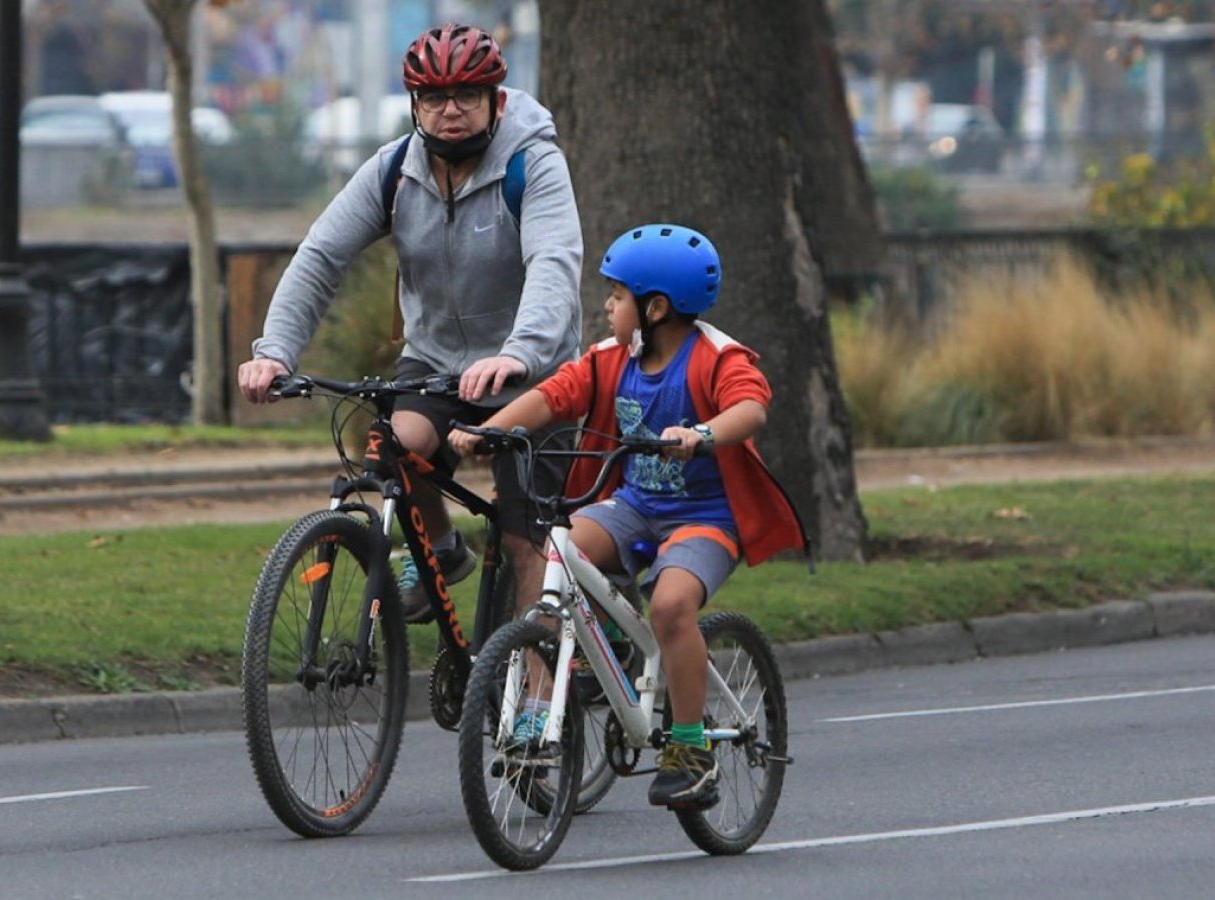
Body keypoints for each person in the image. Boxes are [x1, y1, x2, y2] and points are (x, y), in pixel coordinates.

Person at [448, 223, 807, 809]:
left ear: (655, 307)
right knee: (559, 554)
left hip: (705, 517)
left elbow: (751, 406)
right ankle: (558, 690)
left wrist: (702, 434)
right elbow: (554, 395)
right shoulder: (612, 359)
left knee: (670, 606)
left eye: (617, 297)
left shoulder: (715, 357)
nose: (608, 306)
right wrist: (491, 429)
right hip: (637, 506)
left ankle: (690, 752)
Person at [237, 23, 583, 623]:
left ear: (496, 101)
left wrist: (520, 352)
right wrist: (275, 351)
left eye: (467, 96)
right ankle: (444, 553)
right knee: (395, 448)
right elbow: (321, 255)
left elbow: (553, 262)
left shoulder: (535, 165)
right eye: (433, 98)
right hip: (435, 362)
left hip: (532, 371)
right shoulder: (395, 169)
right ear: (415, 105)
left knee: (528, 537)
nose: (450, 111)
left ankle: (536, 695)